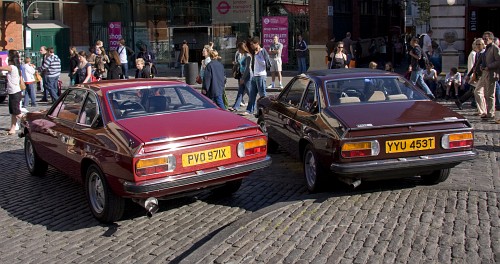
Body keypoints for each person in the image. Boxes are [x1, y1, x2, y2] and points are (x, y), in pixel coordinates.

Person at [474, 31, 500, 120]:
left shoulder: (495, 48)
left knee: (490, 94)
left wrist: (489, 67)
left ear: (491, 39)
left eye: (486, 39)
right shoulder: (487, 49)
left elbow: (498, 61)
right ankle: (487, 112)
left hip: (491, 73)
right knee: (485, 93)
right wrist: (482, 67)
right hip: (485, 73)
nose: (484, 40)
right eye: (483, 38)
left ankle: (491, 113)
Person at [243, 37, 269, 116]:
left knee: (262, 95)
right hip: (255, 75)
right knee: (252, 94)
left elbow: (265, 64)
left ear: (257, 43)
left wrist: (258, 56)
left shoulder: (262, 51)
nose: (251, 46)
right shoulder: (254, 52)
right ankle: (249, 110)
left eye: (252, 44)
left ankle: (265, 110)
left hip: (261, 75)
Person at [456, 38, 484, 110]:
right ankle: (461, 101)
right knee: (475, 91)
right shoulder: (473, 54)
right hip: (475, 75)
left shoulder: (475, 54)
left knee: (473, 91)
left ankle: (463, 101)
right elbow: (472, 66)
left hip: (475, 75)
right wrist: (472, 75)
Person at [0, 50, 23, 135]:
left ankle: (28, 121)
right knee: (13, 112)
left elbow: (2, 68)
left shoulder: (12, 67)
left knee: (17, 112)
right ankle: (13, 128)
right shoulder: (15, 67)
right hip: (13, 92)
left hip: (15, 93)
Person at [230, 42, 251, 112]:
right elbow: (241, 64)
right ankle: (236, 106)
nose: (238, 50)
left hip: (247, 76)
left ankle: (252, 107)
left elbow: (248, 68)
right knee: (240, 92)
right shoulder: (243, 55)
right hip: (242, 75)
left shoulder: (248, 56)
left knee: (249, 92)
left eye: (239, 48)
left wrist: (243, 78)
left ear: (242, 48)